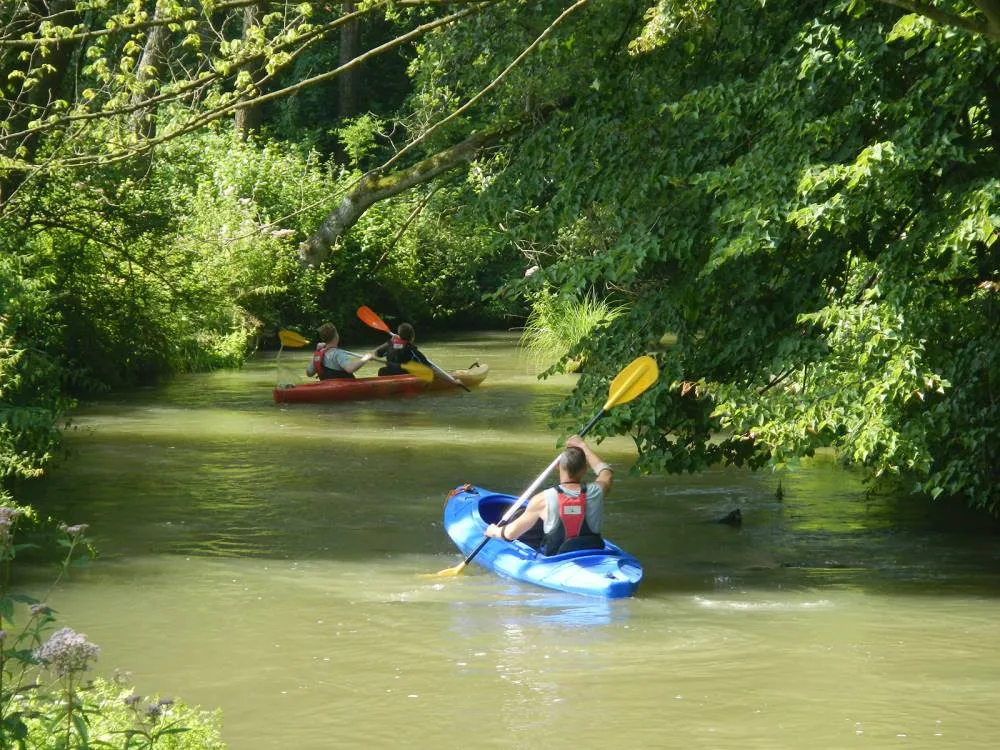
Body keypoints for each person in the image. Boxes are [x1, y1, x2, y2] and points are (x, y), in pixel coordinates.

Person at [484, 435, 613, 555]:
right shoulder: (597, 491)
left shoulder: (542, 499)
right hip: (594, 553)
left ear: (558, 466)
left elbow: (512, 533)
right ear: (585, 468)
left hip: (558, 559)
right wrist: (583, 446)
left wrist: (494, 531)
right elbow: (606, 471)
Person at [305, 322, 373, 380]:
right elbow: (350, 368)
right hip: (345, 391)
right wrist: (366, 358)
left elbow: (309, 373)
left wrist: (316, 352)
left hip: (328, 391)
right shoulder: (338, 354)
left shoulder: (318, 354)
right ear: (336, 336)